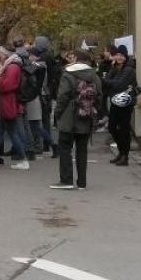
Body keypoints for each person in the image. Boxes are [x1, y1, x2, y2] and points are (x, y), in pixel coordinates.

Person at [50, 50, 102, 190]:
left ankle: (66, 180)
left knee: (65, 148)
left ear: (76, 60)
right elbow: (99, 97)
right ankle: (82, 182)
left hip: (69, 116)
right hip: (86, 115)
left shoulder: (68, 74)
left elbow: (62, 97)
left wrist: (58, 114)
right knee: (82, 149)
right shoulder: (94, 76)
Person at [0, 47, 29, 171]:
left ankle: (24, 158)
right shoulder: (12, 66)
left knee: (12, 132)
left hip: (9, 102)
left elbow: (6, 85)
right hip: (7, 102)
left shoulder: (12, 67)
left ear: (5, 54)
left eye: (1, 53)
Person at [102, 45, 137, 166]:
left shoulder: (129, 69)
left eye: (122, 55)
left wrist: (107, 81)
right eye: (117, 55)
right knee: (112, 127)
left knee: (124, 129)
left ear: (126, 56)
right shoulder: (115, 67)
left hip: (125, 102)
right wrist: (109, 78)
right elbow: (107, 81)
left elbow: (119, 85)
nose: (119, 57)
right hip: (115, 101)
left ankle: (124, 155)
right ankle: (121, 151)